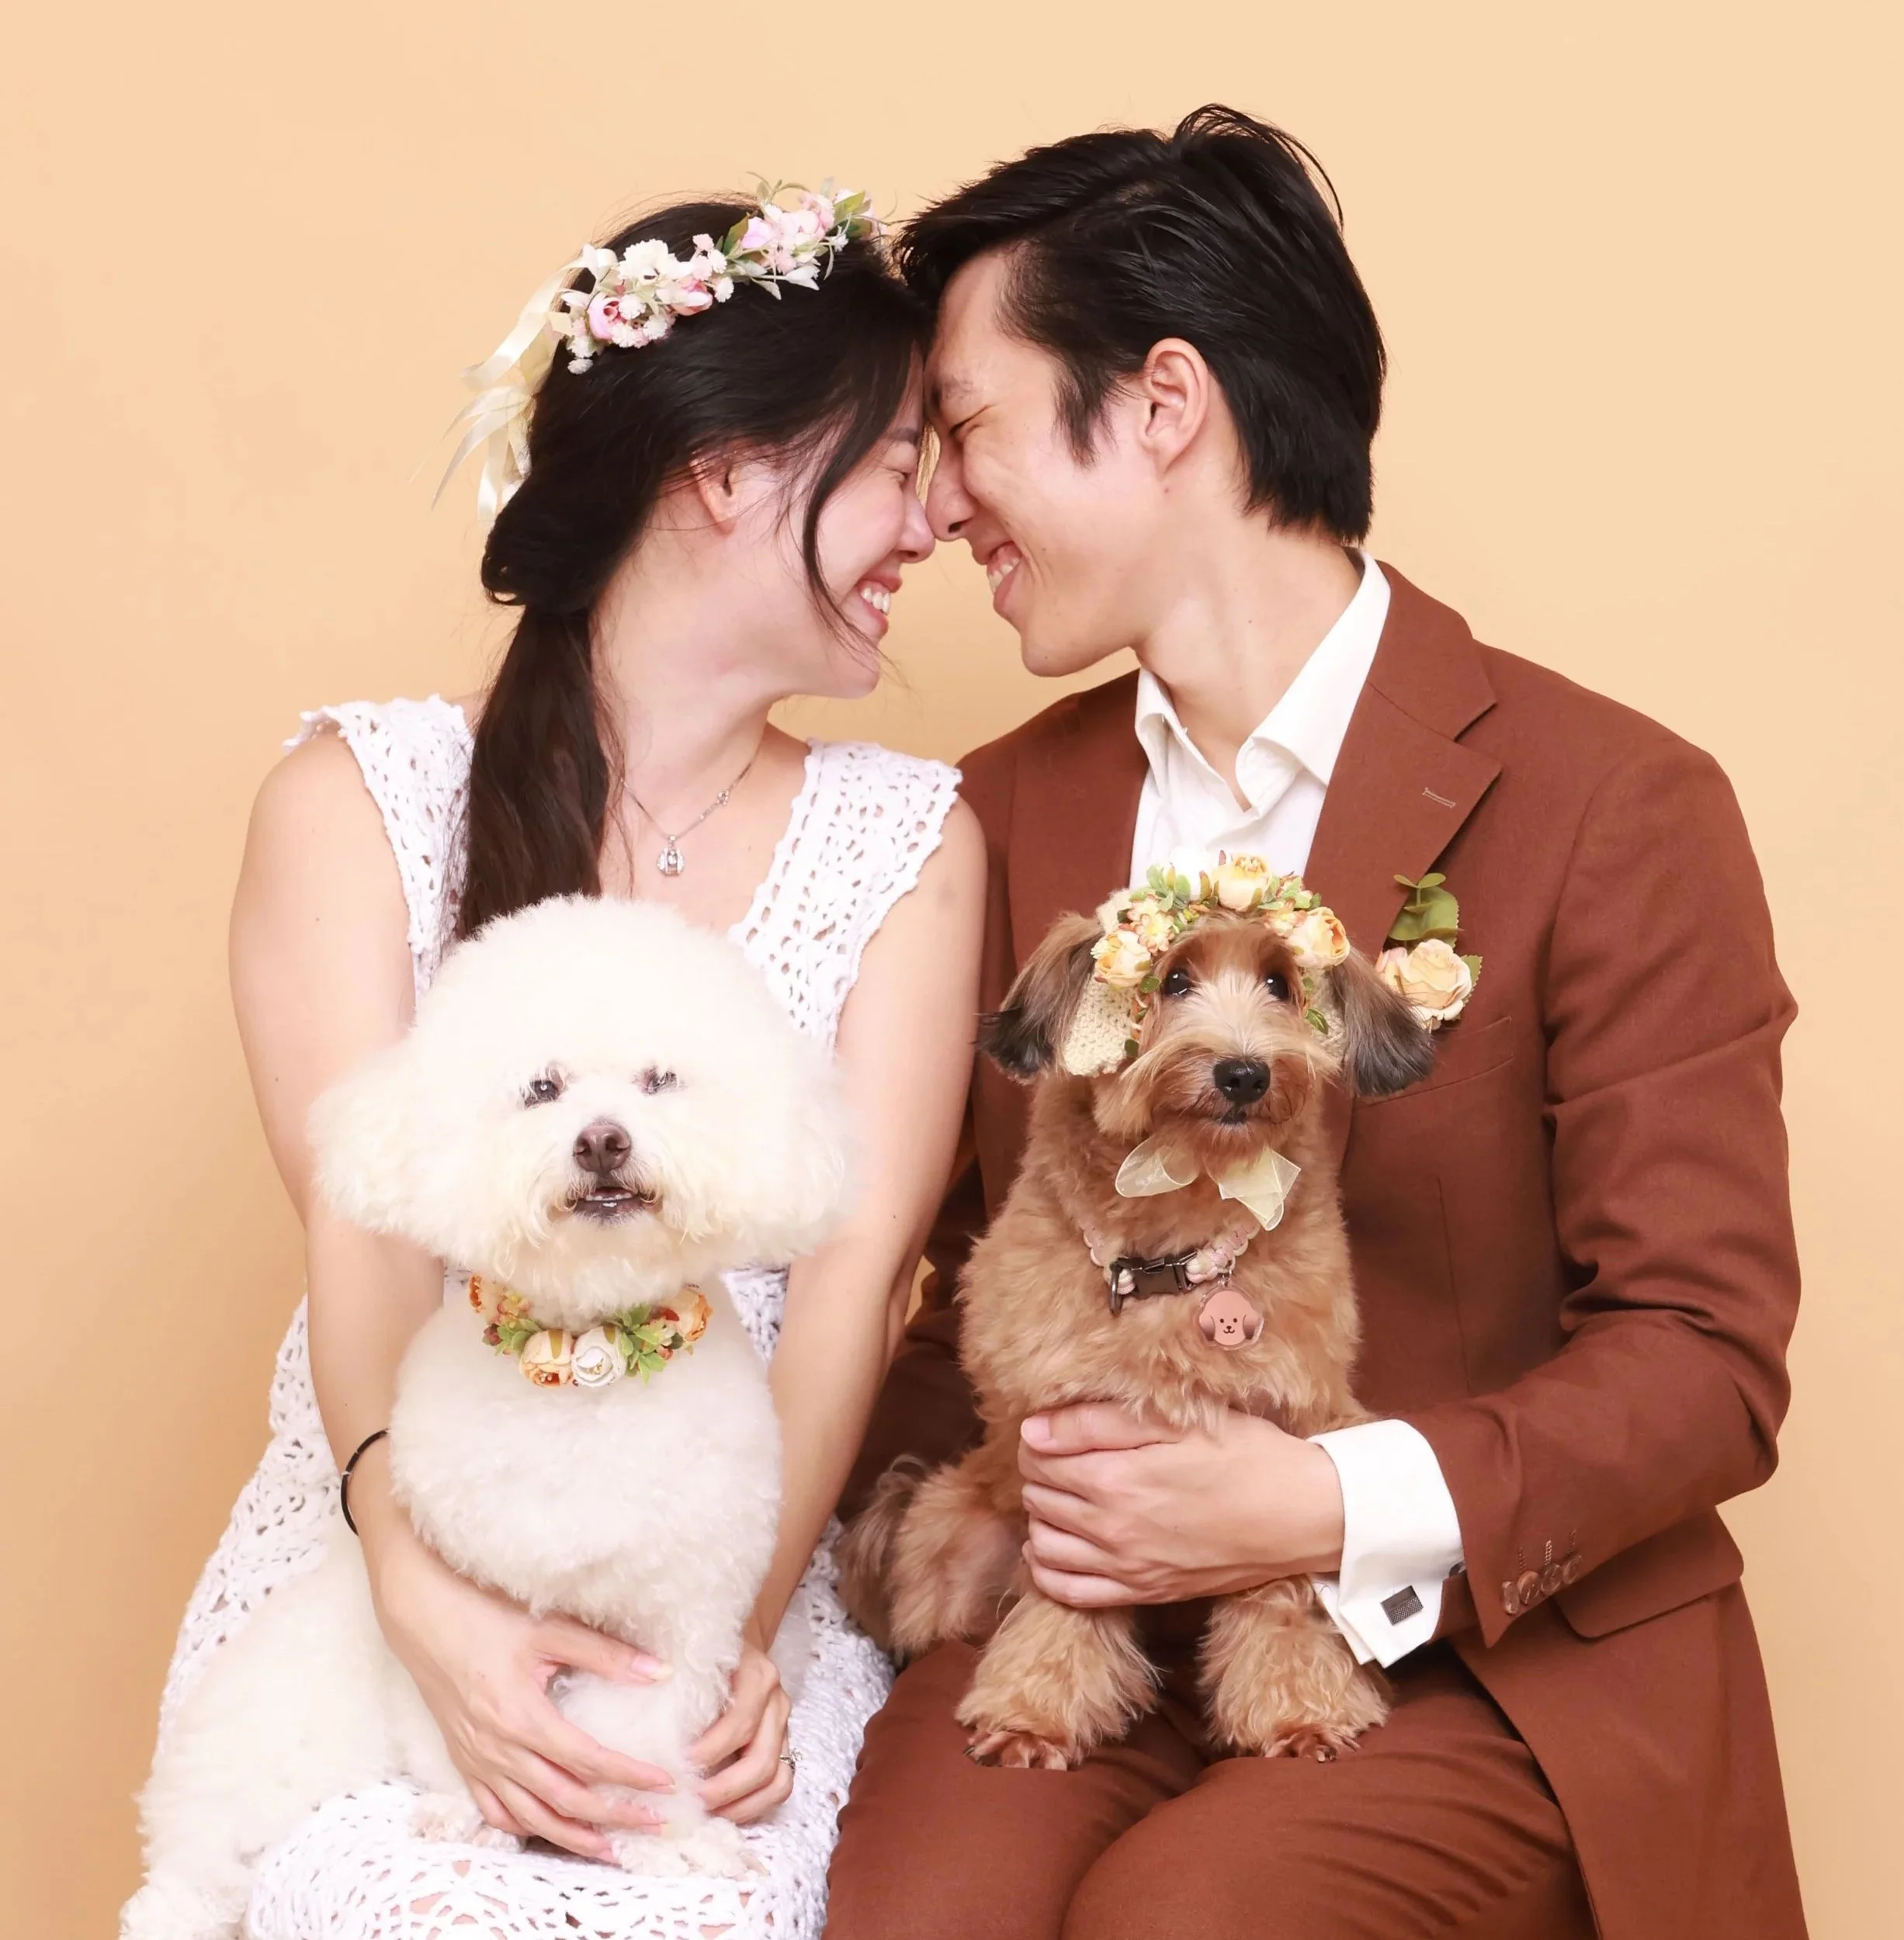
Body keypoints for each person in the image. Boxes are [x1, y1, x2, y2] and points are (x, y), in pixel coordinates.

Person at [826, 106, 1805, 1940]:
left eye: (964, 427)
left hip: (1483, 1656)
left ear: (1163, 401)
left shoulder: (1616, 801)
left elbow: (1701, 1352)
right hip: (1076, 1622)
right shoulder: (982, 816)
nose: (939, 501)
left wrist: (1307, 1502)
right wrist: (800, 1587)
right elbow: (954, 1279)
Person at [150, 185, 985, 1938]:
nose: (940, 513)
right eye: (900, 459)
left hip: (725, 1562)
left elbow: (853, 1291)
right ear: (728, 469)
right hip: (384, 1555)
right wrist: (425, 1609)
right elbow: (362, 1247)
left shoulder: (909, 839)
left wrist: (723, 1640)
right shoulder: (353, 803)